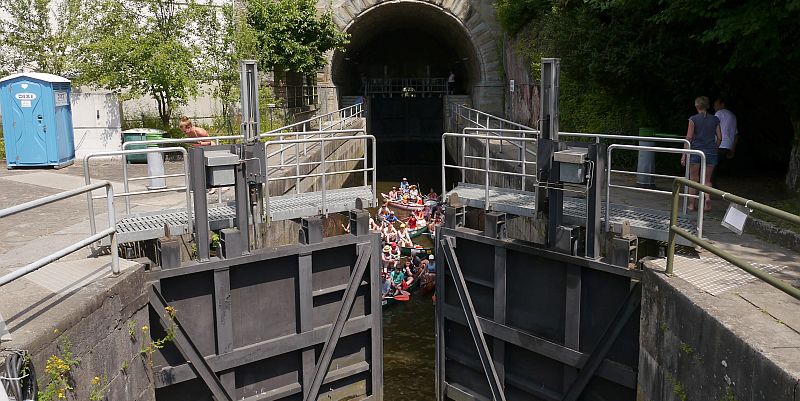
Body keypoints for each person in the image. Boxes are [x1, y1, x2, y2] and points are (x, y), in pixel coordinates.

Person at [681, 96, 722, 212]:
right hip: (711, 151)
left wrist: (684, 154)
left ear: (696, 106)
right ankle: (707, 199)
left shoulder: (693, 119)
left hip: (696, 151)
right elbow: (720, 137)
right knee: (707, 180)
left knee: (693, 179)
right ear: (707, 106)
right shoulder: (715, 119)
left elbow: (689, 138)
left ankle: (691, 204)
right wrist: (715, 148)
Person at [713, 97, 738, 180]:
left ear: (722, 104)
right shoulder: (733, 116)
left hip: (719, 144)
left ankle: (709, 184)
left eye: (716, 105)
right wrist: (733, 149)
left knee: (711, 166)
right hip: (728, 145)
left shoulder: (719, 113)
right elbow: (736, 134)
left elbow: (713, 127)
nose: (714, 107)